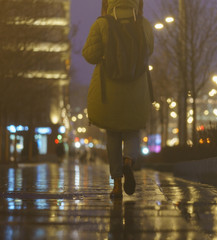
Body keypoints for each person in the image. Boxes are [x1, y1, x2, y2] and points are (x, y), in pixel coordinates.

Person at [82, 0, 154, 199]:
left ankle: (116, 185)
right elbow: (149, 51)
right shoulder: (144, 24)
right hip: (136, 89)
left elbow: (89, 54)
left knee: (113, 135)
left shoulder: (101, 24)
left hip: (109, 90)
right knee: (132, 130)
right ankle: (128, 162)